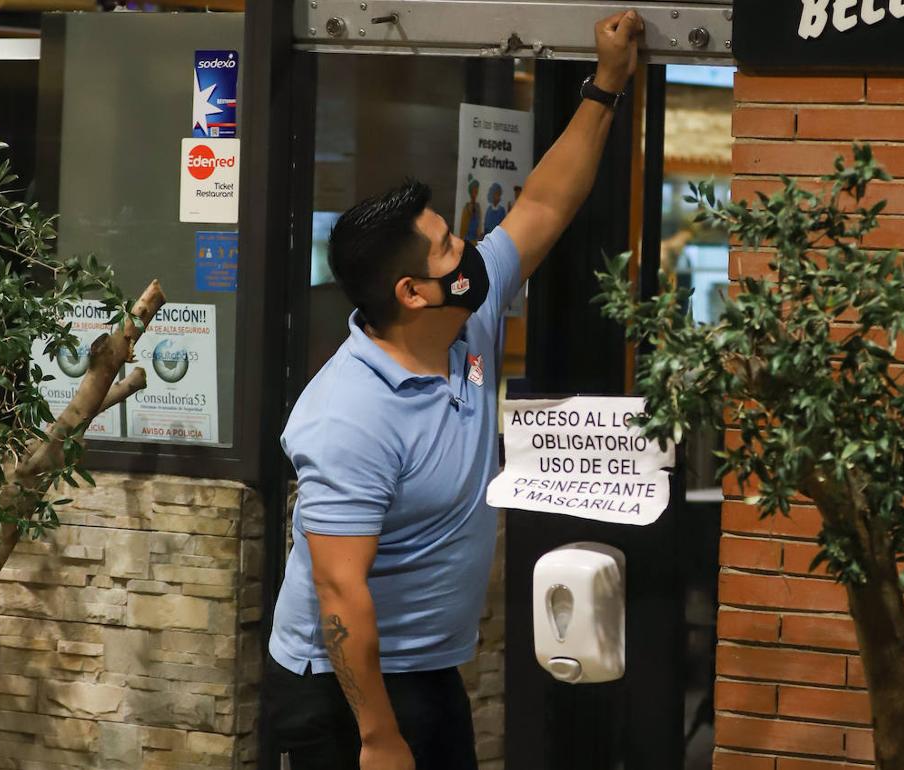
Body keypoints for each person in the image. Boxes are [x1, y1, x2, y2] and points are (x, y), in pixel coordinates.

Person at [264, 11, 642, 770]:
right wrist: (377, 738)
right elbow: (341, 597)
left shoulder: (465, 316)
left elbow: (542, 205)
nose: (468, 246)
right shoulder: (348, 417)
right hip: (342, 693)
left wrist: (606, 85)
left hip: (426, 671)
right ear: (411, 292)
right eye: (447, 246)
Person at [458, 175, 481, 242]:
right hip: (467, 241)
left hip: (475, 241)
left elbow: (479, 225)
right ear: (470, 192)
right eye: (474, 191)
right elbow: (463, 229)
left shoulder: (478, 207)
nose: (475, 194)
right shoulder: (466, 208)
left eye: (476, 191)